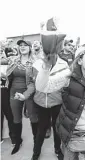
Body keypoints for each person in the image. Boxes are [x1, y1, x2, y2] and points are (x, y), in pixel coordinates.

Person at [30, 32, 67, 160]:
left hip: (57, 103)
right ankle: (36, 153)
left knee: (57, 129)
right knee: (40, 131)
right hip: (40, 103)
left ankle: (58, 150)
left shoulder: (64, 65)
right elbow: (32, 83)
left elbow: (65, 85)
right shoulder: (36, 64)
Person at [5, 40, 38, 155]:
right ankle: (18, 141)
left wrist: (25, 95)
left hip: (29, 92)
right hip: (14, 92)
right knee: (16, 118)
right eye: (20, 45)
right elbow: (7, 75)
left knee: (33, 117)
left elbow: (34, 82)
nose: (22, 47)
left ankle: (36, 143)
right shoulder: (13, 60)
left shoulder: (35, 62)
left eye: (25, 45)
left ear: (30, 48)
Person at [0, 47, 15, 145]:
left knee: (9, 115)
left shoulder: (8, 64)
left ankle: (14, 137)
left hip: (5, 92)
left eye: (1, 52)